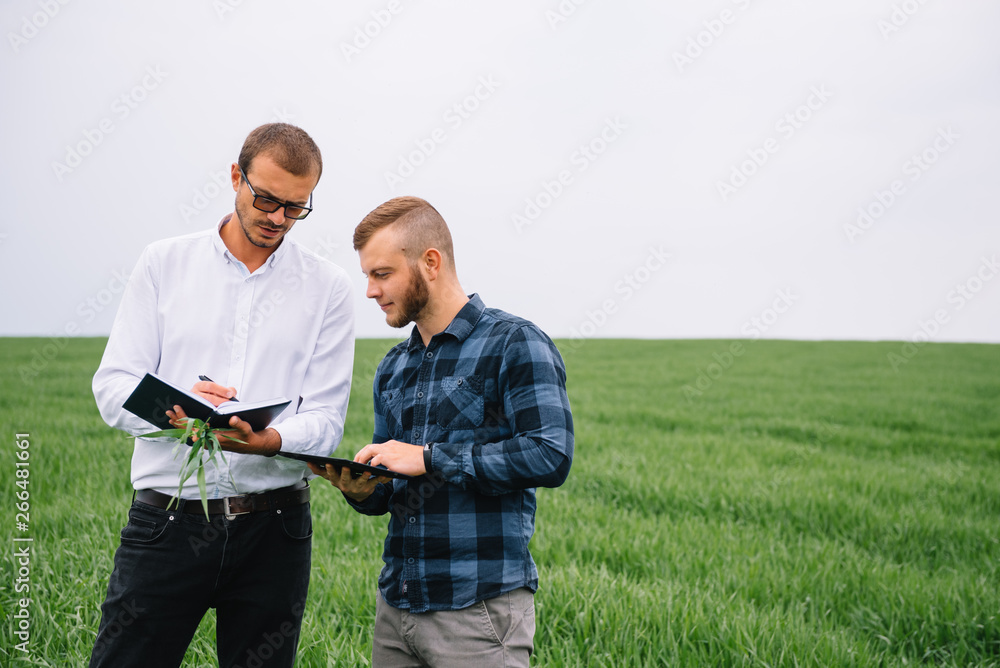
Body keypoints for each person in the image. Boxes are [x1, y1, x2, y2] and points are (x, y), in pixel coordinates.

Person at [90, 123, 355, 668]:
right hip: (167, 523)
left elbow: (326, 418)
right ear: (236, 177)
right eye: (266, 199)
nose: (278, 218)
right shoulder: (164, 263)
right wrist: (181, 409)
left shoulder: (328, 288)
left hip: (276, 531)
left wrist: (269, 439)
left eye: (295, 208)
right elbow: (113, 388)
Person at [308, 196, 573, 667]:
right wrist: (360, 489)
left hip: (479, 612)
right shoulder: (393, 366)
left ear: (430, 262)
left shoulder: (513, 342)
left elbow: (549, 454)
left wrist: (431, 457)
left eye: (382, 274)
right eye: (367, 275)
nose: (369, 290)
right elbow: (391, 492)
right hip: (397, 608)